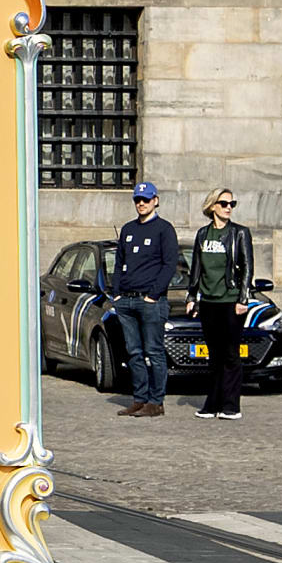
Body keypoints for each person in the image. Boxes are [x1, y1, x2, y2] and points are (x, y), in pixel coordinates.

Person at [104, 179, 179, 421]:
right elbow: (118, 263)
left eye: (146, 199)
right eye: (138, 199)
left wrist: (153, 295)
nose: (141, 203)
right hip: (125, 300)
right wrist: (116, 292)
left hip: (150, 302)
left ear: (156, 201)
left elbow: (169, 266)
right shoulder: (127, 229)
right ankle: (139, 399)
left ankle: (156, 402)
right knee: (133, 352)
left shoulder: (164, 229)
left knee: (154, 352)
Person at [190, 188, 257, 422]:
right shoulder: (202, 235)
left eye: (232, 203)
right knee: (214, 355)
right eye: (224, 203)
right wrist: (192, 297)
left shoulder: (239, 233)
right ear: (212, 207)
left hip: (230, 302)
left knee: (230, 354)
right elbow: (196, 268)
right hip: (208, 302)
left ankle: (231, 405)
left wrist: (242, 299)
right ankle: (212, 403)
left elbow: (247, 267)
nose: (229, 207)